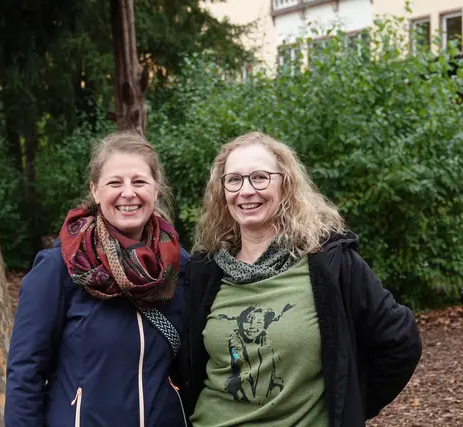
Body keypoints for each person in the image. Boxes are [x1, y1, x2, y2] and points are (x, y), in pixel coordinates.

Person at [177, 132, 422, 426]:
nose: (246, 190)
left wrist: (347, 404)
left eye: (260, 178)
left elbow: (400, 340)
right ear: (222, 191)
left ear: (286, 184)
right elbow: (184, 364)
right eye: (234, 180)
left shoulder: (330, 265)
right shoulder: (205, 270)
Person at [5, 132, 189, 427]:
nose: (128, 193)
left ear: (156, 190)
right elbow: (25, 373)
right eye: (115, 182)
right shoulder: (59, 269)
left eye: (139, 182)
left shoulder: (179, 267)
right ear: (95, 191)